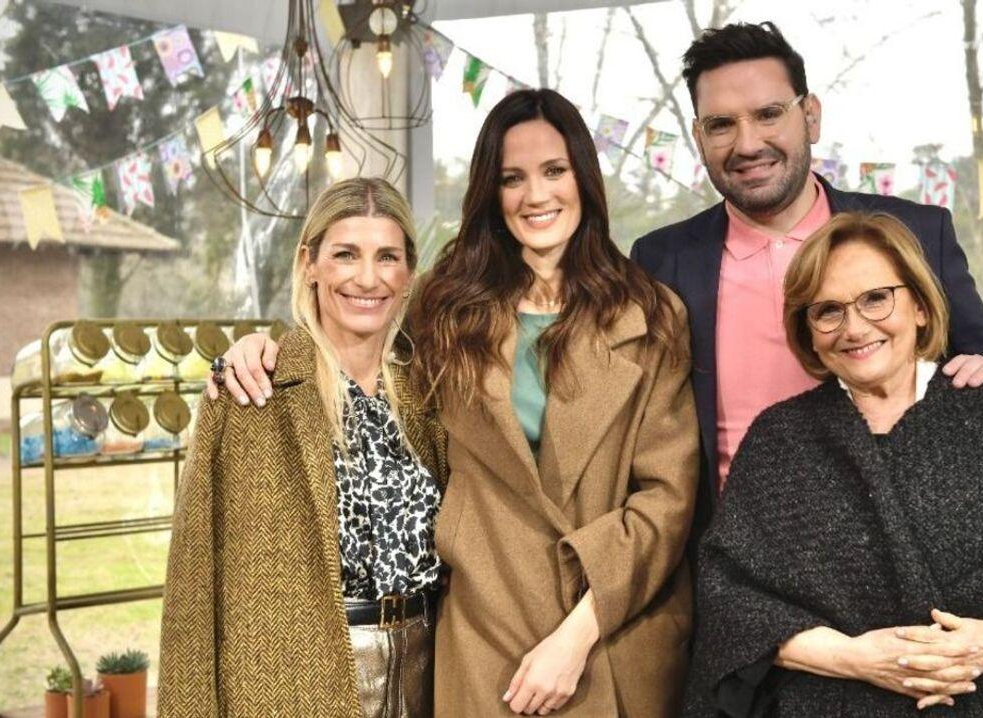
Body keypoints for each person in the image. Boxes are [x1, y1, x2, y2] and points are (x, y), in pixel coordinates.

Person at [212, 88, 700, 717]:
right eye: (512, 178)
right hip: (484, 637)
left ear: (584, 176)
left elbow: (667, 500)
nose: (536, 195)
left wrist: (576, 637)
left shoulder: (651, 316)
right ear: (490, 195)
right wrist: (264, 346)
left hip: (609, 632)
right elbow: (358, 346)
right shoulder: (446, 309)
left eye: (555, 171)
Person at [684, 211, 983, 718]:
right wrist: (854, 658)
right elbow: (733, 606)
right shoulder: (779, 441)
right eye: (828, 311)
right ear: (809, 333)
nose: (855, 328)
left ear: (921, 306)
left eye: (876, 298)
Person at [630, 21, 983, 544]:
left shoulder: (918, 234)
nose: (747, 143)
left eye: (769, 114)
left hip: (904, 554)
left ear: (810, 116)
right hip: (738, 569)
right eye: (722, 124)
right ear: (699, 136)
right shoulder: (662, 260)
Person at [158, 178, 447, 717]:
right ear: (310, 263)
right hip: (295, 684)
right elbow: (193, 592)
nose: (368, 277)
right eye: (345, 255)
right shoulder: (249, 391)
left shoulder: (432, 391)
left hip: (430, 677)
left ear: (408, 273)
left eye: (387, 256)